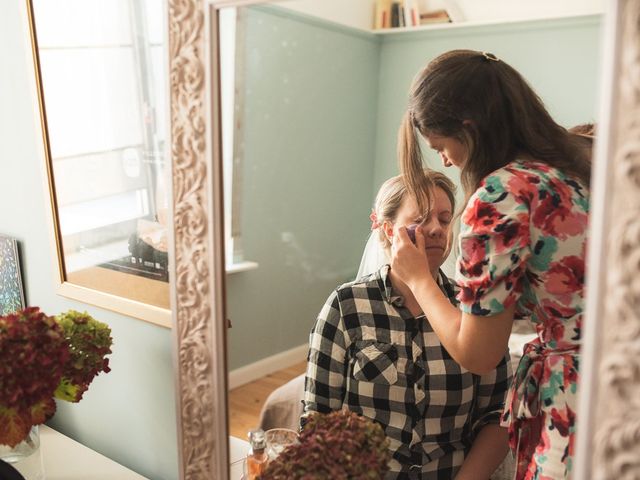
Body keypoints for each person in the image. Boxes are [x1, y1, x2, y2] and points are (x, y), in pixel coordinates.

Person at [392, 50, 592, 479]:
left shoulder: (502, 196)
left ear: (469, 128)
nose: (444, 160)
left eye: (442, 147)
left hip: (581, 397)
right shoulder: (579, 168)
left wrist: (421, 279)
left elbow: (479, 354)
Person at [303, 170, 512, 479]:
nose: (437, 230)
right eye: (420, 219)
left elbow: (498, 415)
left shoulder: (476, 308)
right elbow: (317, 418)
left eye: (444, 219)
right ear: (389, 230)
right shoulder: (346, 307)